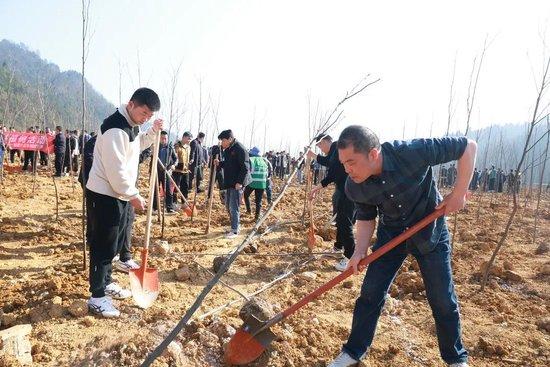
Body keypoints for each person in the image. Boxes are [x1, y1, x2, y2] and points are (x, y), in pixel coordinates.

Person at [327, 125, 476, 367]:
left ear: (373, 154)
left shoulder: (411, 152)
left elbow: (468, 147)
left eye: (351, 162)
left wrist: (459, 194)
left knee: (442, 299)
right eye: (343, 163)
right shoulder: (354, 184)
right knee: (370, 294)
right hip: (391, 237)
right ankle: (353, 353)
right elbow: (366, 217)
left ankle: (455, 359)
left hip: (430, 232)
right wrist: (358, 251)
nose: (347, 169)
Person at [86, 87, 162, 318]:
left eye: (150, 115)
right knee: (102, 245)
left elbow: (136, 146)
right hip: (104, 194)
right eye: (144, 113)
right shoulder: (114, 129)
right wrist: (133, 194)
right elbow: (116, 171)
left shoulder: (130, 125)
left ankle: (107, 283)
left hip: (117, 195)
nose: (145, 117)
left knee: (114, 243)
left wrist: (151, 133)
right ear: (131, 104)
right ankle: (97, 297)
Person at [307, 134, 355, 271]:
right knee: (341, 219)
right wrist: (313, 155)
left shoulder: (338, 148)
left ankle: (349, 258)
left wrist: (317, 187)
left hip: (349, 190)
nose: (320, 149)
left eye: (320, 145)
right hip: (344, 189)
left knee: (346, 223)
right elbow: (328, 161)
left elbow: (333, 172)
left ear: (327, 141)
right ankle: (338, 247)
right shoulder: (335, 150)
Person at [214, 129, 250, 238]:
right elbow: (229, 164)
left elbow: (246, 167)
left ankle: (234, 230)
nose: (222, 143)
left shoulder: (239, 148)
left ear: (230, 139)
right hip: (229, 181)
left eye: (223, 140)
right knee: (228, 205)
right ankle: (235, 226)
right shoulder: (228, 150)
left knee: (234, 207)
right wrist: (219, 164)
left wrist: (240, 182)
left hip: (237, 182)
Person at [153, 130, 178, 214]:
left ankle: (169, 208)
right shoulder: (155, 147)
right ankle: (155, 208)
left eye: (165, 138)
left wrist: (174, 165)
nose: (164, 140)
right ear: (159, 138)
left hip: (167, 172)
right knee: (155, 190)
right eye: (162, 138)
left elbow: (176, 159)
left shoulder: (170, 148)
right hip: (156, 172)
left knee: (168, 190)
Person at [244, 147, 268, 221]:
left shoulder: (251, 160)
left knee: (246, 195)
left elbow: (247, 171)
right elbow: (268, 172)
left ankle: (249, 211)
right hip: (262, 183)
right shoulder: (265, 160)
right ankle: (257, 217)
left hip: (252, 182)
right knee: (258, 201)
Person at [173, 132, 192, 201]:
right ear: (184, 137)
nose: (189, 141)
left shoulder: (188, 147)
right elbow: (174, 157)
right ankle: (174, 201)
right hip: (177, 171)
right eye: (188, 139)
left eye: (190, 139)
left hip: (185, 170)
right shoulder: (177, 146)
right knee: (176, 187)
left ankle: (184, 201)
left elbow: (187, 158)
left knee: (185, 187)